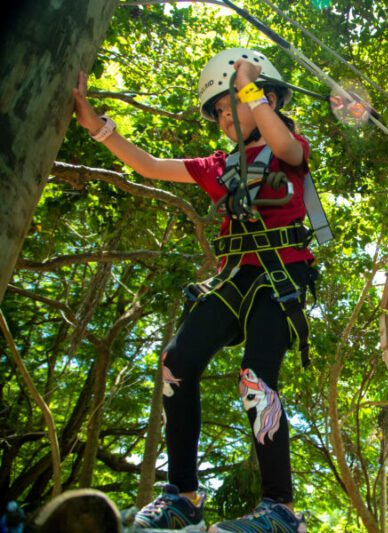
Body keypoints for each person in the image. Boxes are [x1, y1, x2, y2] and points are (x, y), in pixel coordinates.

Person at [73, 48, 312, 532]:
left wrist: (249, 87)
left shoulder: (291, 147)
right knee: (175, 364)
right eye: (219, 112)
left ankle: (280, 510)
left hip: (281, 277)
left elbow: (284, 147)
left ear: (264, 96)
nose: (225, 118)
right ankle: (182, 494)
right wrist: (96, 124)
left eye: (232, 106)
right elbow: (147, 165)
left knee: (255, 376)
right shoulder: (215, 165)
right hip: (233, 278)